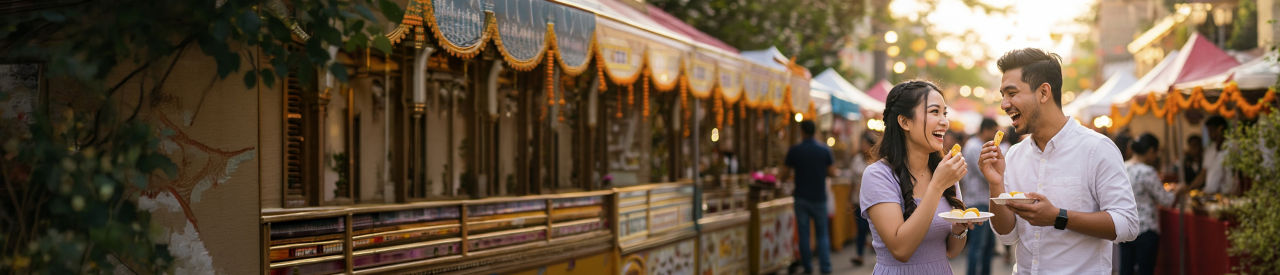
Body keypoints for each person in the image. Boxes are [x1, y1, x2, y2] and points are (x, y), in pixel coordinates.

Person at [978, 48, 1139, 274]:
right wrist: (995, 183)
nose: (1004, 104)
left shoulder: (1097, 148)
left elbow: (1127, 225)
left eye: (1011, 93)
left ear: (1044, 93)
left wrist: (1058, 217)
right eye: (1003, 95)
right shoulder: (1014, 155)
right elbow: (1007, 236)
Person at [860, 80, 975, 274]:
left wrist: (959, 230)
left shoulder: (944, 172)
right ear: (905, 122)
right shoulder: (878, 175)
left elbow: (952, 251)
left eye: (944, 113)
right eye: (934, 112)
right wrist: (937, 186)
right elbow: (901, 250)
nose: (944, 122)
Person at [1120, 133, 1180, 275]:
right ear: (1151, 150)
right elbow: (1166, 200)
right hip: (1146, 228)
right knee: (1145, 270)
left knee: (1126, 269)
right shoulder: (1147, 171)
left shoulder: (1122, 167)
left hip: (1125, 226)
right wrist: (1178, 191)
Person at [785, 120, 835, 274]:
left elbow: (784, 174)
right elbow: (832, 172)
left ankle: (807, 267)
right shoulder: (824, 150)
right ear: (815, 131)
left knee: (804, 234)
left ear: (802, 132)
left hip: (801, 197)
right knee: (822, 234)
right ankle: (825, 268)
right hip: (819, 197)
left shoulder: (795, 150)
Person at [962, 118, 1000, 275]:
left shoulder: (978, 145)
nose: (995, 135)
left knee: (988, 246)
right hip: (977, 202)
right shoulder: (974, 147)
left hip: (984, 201)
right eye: (994, 131)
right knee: (978, 246)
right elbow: (985, 174)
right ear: (986, 130)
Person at [849, 132, 877, 267]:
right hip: (858, 200)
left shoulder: (877, 160)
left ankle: (879, 252)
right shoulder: (856, 160)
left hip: (874, 200)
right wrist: (849, 199)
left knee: (875, 228)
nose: (862, 146)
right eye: (862, 143)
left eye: (864, 143)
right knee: (861, 229)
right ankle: (859, 254)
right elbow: (852, 181)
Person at [1191, 116, 1236, 196]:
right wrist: (1189, 188)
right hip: (1210, 195)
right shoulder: (1210, 149)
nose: (1209, 134)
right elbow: (1203, 174)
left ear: (1220, 129)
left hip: (1228, 195)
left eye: (1211, 130)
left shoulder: (1233, 148)